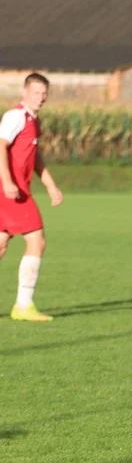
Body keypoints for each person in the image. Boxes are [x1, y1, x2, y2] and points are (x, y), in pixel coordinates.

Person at [0, 72, 63, 321]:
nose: (41, 97)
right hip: (10, 191)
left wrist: (50, 185)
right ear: (25, 92)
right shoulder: (16, 116)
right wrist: (6, 181)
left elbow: (34, 156)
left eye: (44, 93)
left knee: (2, 243)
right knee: (37, 241)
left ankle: (23, 306)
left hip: (15, 189)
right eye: (36, 92)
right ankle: (23, 306)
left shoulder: (34, 121)